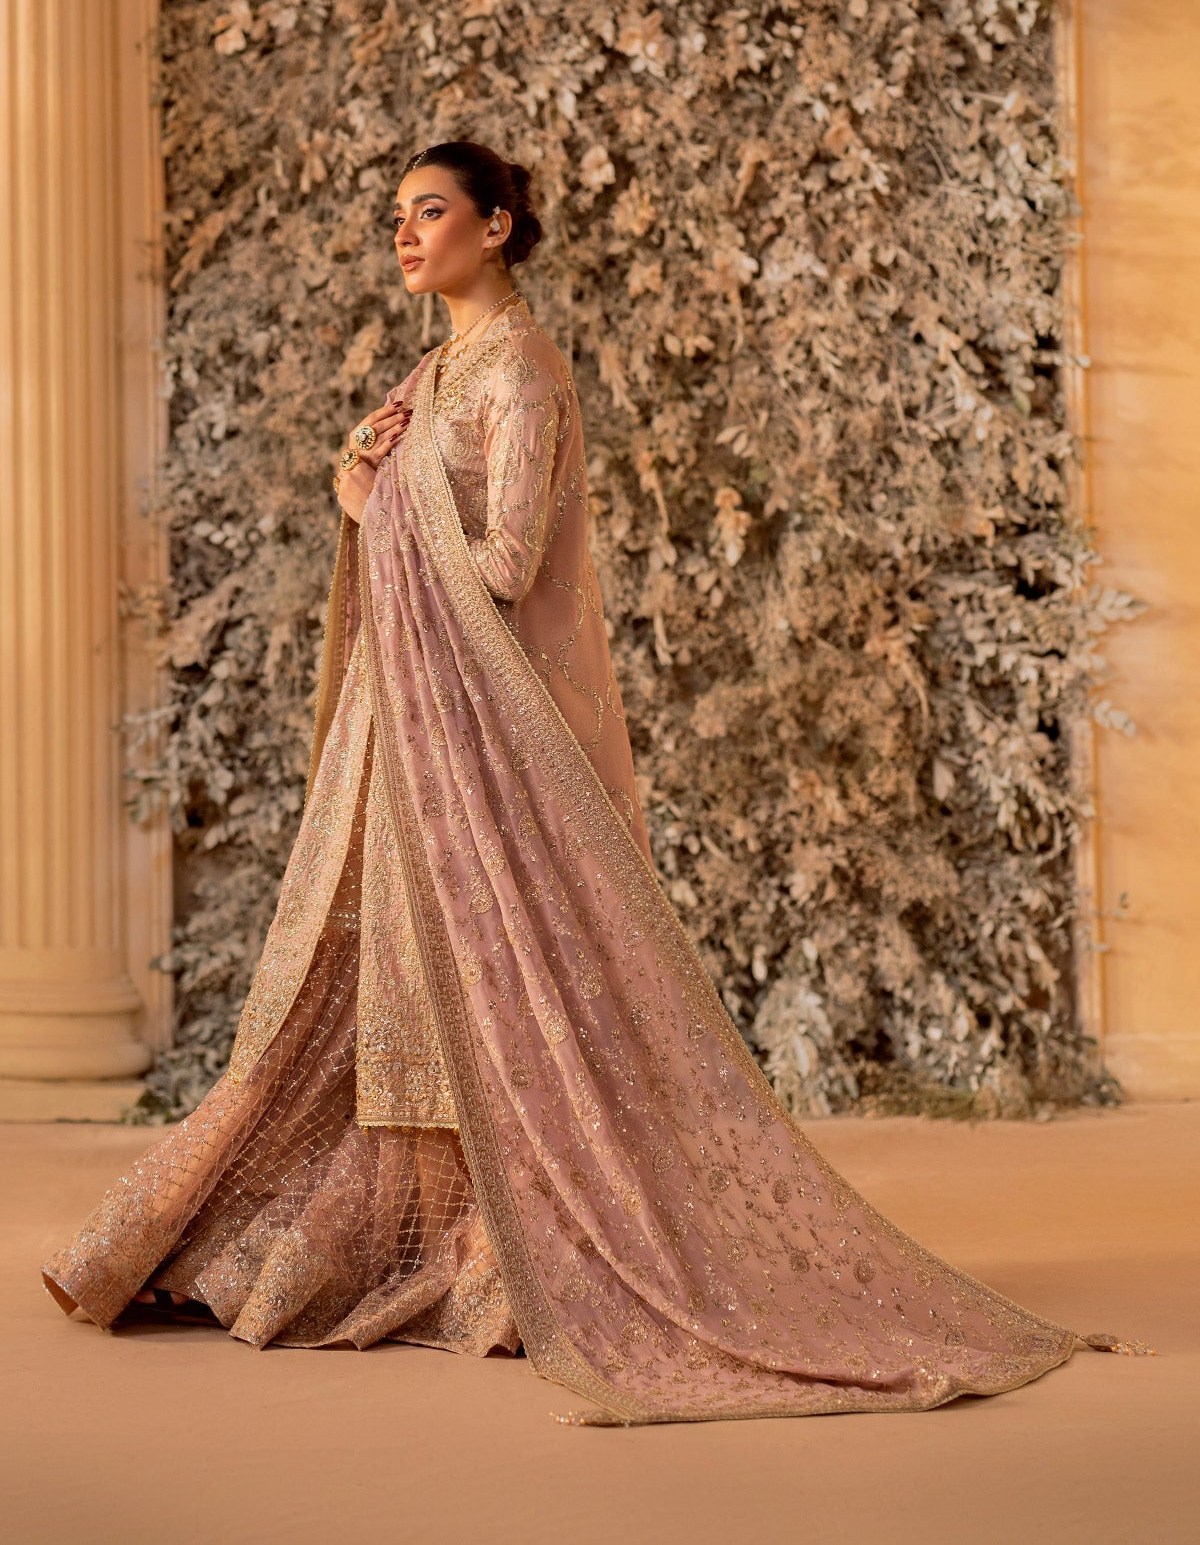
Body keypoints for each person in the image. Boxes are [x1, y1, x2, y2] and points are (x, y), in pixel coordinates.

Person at [40, 140, 1153, 1424]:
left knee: (491, 976)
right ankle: (409, 1235)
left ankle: (504, 1249)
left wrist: (371, 502)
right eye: (397, 214)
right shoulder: (436, 372)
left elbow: (507, 562)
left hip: (474, 739)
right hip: (408, 728)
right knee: (383, 975)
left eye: (431, 212)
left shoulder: (523, 369)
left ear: (496, 226)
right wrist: (371, 490)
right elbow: (423, 520)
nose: (405, 233)